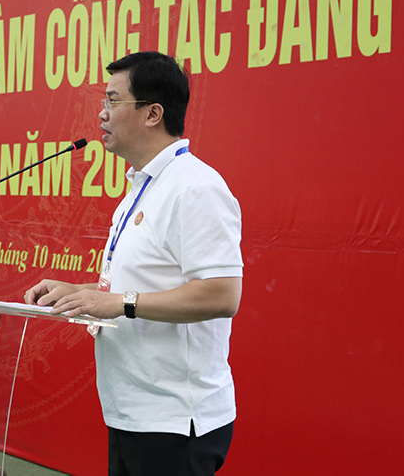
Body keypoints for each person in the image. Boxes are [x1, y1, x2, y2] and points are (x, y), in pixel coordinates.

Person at [25, 51, 242, 476]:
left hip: (177, 421)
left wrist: (119, 302)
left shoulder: (195, 188)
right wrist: (82, 292)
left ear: (152, 114)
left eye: (113, 101)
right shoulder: (141, 188)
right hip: (132, 412)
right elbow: (144, 283)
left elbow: (222, 294)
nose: (101, 114)